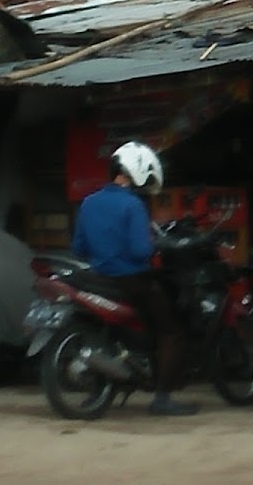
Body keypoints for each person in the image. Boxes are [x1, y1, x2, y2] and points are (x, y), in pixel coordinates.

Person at [71, 141, 199, 417]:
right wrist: (154, 245)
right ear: (136, 171)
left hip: (97, 279)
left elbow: (79, 248)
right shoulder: (133, 205)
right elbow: (140, 250)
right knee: (172, 329)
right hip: (131, 280)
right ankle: (162, 398)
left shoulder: (89, 202)